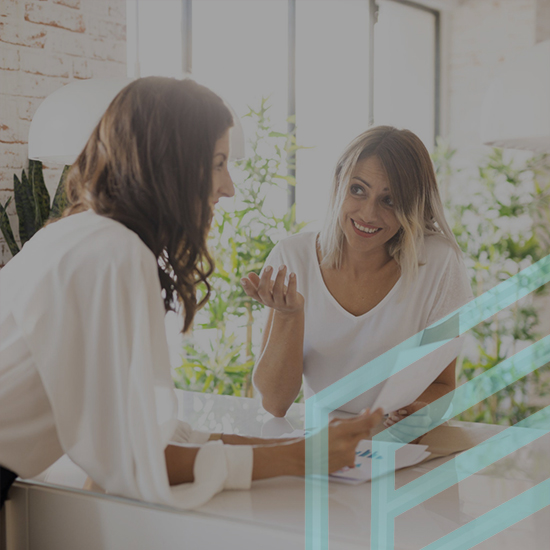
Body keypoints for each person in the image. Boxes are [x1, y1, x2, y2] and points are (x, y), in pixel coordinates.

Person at [0, 77, 383, 511]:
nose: (229, 187)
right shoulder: (113, 253)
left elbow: (144, 433)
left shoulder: (88, 235)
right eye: (218, 162)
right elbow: (134, 463)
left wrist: (300, 443)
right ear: (172, 165)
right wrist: (300, 457)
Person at [242, 126, 473, 437]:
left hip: (398, 447)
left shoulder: (438, 262)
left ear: (412, 205)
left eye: (389, 200)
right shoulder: (293, 257)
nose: (368, 213)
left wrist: (420, 412)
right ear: (339, 185)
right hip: (322, 444)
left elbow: (443, 385)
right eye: (358, 190)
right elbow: (275, 404)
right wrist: (289, 315)